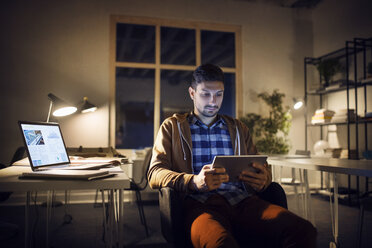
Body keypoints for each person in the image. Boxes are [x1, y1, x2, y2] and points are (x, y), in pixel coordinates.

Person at [148, 64, 317, 248]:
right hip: (199, 206)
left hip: (243, 201)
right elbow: (155, 173)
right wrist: (193, 181)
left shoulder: (238, 128)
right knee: (221, 243)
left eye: (219, 94)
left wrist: (264, 179)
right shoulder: (172, 127)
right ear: (192, 93)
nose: (213, 101)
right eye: (205, 94)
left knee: (304, 230)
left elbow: (262, 169)